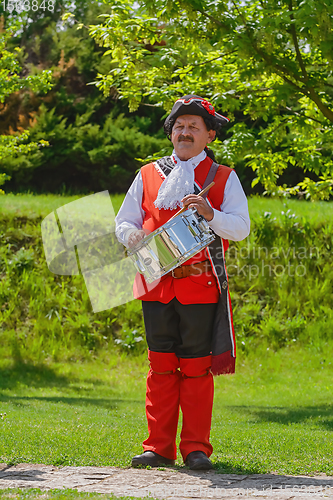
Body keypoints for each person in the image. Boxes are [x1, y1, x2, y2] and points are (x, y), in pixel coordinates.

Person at [115, 95, 250, 470]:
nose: (185, 132)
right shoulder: (146, 174)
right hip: (154, 282)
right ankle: (157, 448)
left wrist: (210, 213)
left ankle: (195, 448)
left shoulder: (224, 177)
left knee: (195, 367)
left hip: (200, 286)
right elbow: (123, 222)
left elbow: (240, 228)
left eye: (194, 127)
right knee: (160, 365)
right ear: (170, 133)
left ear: (209, 135)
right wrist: (131, 237)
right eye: (179, 126)